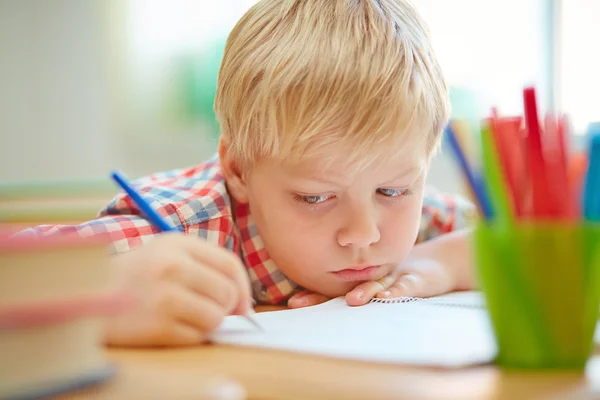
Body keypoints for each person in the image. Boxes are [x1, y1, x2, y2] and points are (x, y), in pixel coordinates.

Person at [22, 0, 477, 347]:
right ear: (238, 169)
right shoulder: (184, 228)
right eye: (315, 198)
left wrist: (442, 262)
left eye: (394, 190)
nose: (363, 234)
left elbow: (531, 236)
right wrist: (101, 298)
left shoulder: (418, 220)